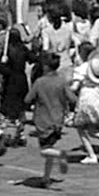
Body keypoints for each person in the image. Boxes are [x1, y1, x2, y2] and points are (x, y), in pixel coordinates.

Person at [24, 53, 74, 188]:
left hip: (44, 119)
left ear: (45, 67)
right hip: (58, 119)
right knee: (49, 148)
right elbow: (72, 98)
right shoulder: (62, 81)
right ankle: (46, 178)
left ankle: (60, 155)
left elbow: (28, 99)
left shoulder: (40, 82)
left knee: (44, 150)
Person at [0, 28, 35, 145]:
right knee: (21, 108)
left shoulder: (8, 50)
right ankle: (21, 134)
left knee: (10, 109)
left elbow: (3, 69)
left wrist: (2, 62)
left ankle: (11, 133)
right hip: (22, 80)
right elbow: (33, 59)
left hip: (11, 82)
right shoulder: (23, 48)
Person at [42, 3, 75, 83]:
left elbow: (45, 49)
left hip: (54, 66)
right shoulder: (68, 28)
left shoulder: (46, 31)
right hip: (67, 63)